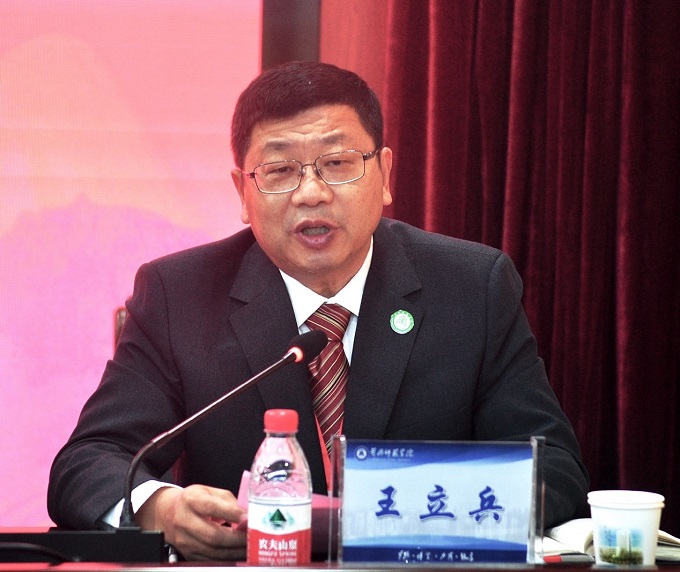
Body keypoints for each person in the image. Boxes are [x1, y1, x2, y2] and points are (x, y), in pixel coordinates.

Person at [48, 61, 589, 561]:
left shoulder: (471, 286)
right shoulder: (179, 295)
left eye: (337, 164)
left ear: (385, 175)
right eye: (279, 170)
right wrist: (159, 510)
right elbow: (87, 463)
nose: (311, 193)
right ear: (242, 192)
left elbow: (556, 471)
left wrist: (398, 509)